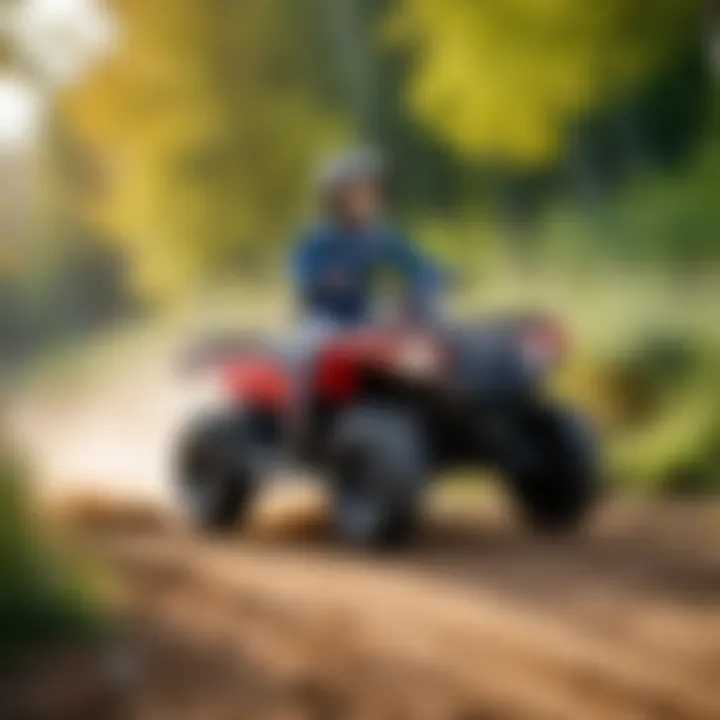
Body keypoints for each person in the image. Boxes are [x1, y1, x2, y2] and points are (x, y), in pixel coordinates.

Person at [285, 146, 445, 444]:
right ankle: (300, 426)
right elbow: (301, 272)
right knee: (308, 351)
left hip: (364, 317)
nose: (367, 199)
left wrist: (435, 275)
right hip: (325, 319)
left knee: (419, 337)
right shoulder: (317, 237)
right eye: (357, 192)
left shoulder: (378, 234)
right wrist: (325, 280)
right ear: (335, 198)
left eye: (371, 191)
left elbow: (415, 261)